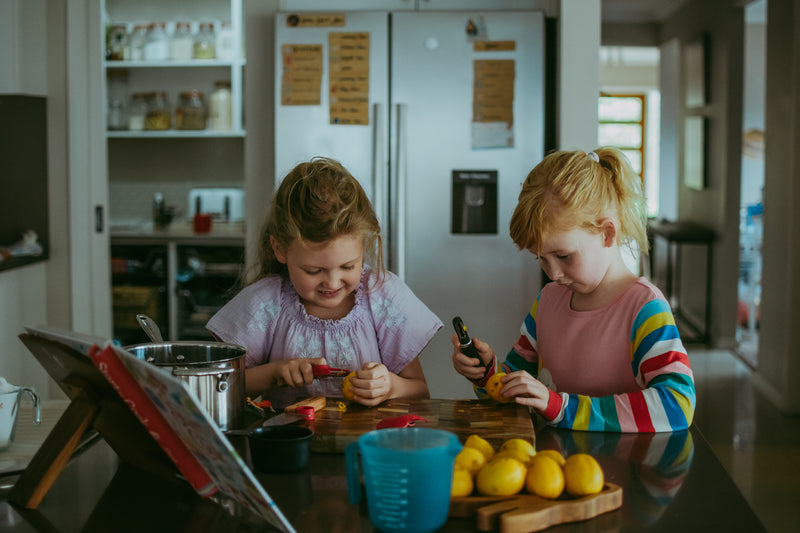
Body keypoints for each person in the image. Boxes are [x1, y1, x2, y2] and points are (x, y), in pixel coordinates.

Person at [452, 148, 695, 432]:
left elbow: (678, 405)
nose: (553, 274)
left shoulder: (644, 306)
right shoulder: (547, 302)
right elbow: (520, 385)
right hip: (556, 468)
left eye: (564, 256)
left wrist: (562, 407)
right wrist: (487, 374)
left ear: (607, 233)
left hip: (623, 471)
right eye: (541, 258)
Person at [208, 157, 442, 408]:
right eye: (314, 270)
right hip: (288, 444)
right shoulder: (266, 304)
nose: (332, 282)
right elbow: (218, 383)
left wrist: (391, 386)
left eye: (348, 266)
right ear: (280, 250)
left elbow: (420, 391)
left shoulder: (382, 297)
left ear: (364, 246)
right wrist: (275, 373)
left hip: (368, 445)